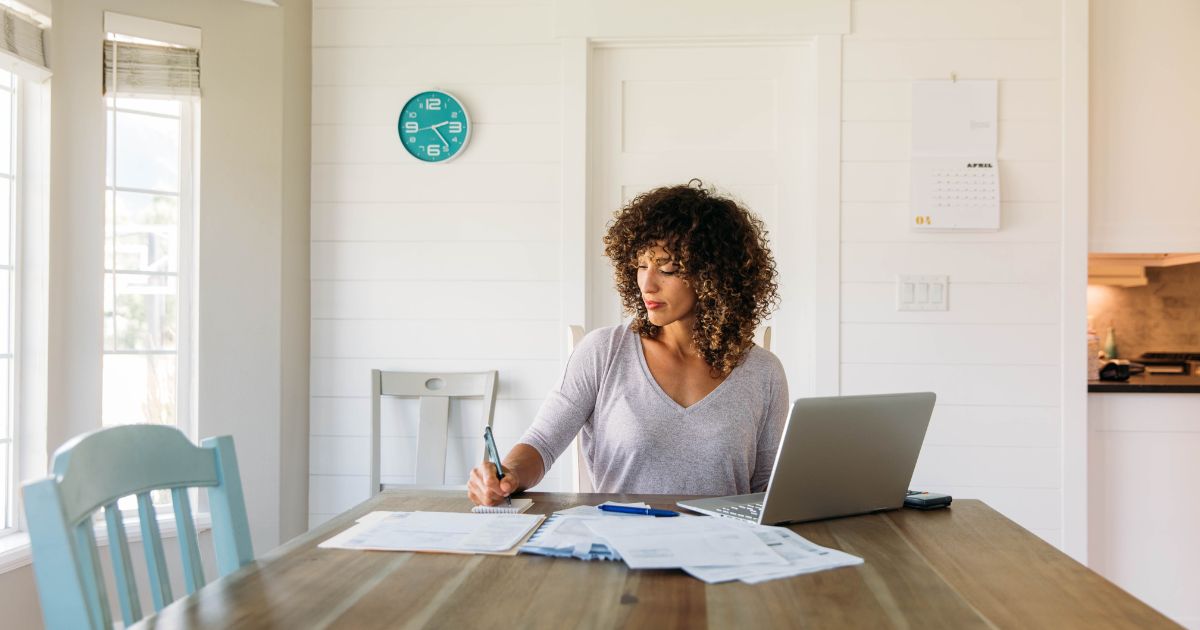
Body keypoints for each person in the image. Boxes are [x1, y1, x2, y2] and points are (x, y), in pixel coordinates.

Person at [468, 181, 788, 506]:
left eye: (667, 268)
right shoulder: (603, 352)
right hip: (620, 546)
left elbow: (768, 490)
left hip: (725, 549)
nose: (647, 284)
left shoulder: (763, 372)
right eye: (641, 265)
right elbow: (541, 443)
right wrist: (506, 474)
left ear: (715, 276)